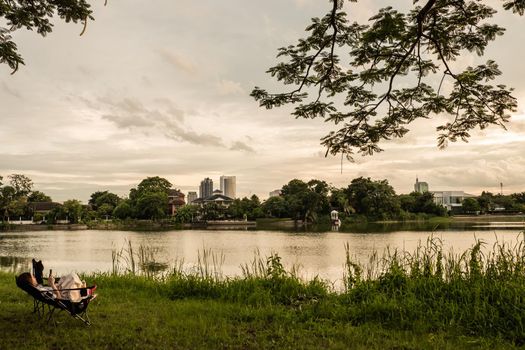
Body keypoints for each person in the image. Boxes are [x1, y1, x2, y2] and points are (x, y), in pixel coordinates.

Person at [17, 271, 86, 301]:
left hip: (59, 289)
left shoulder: (37, 289)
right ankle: (82, 290)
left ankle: (81, 287)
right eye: (33, 277)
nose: (35, 278)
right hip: (63, 296)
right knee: (72, 276)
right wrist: (53, 284)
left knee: (68, 277)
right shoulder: (41, 291)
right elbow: (58, 298)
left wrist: (51, 284)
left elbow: (51, 290)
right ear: (30, 281)